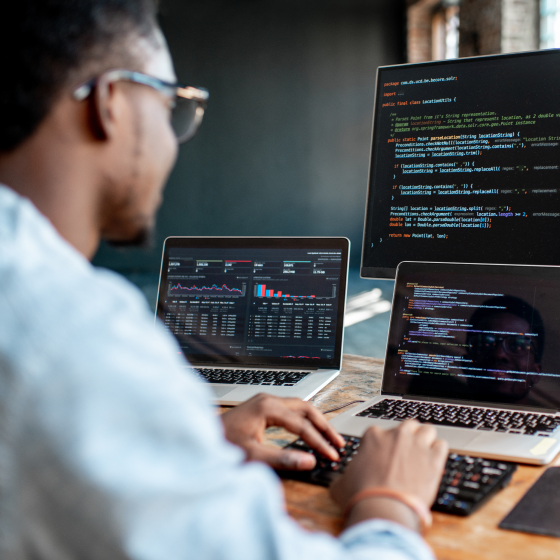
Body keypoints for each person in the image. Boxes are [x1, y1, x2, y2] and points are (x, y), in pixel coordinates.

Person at [0, 1, 448, 558]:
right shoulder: (74, 334)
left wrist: (192, 445)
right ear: (110, 102)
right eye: (171, 107)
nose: (173, 142)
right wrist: (390, 502)